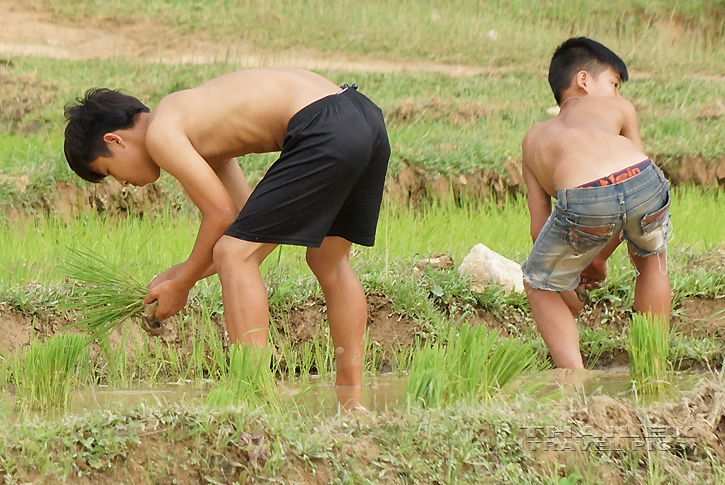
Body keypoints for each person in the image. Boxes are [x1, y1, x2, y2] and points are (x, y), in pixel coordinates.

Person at [63, 68, 391, 409]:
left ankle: (254, 400)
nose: (123, 185)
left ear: (115, 140)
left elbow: (222, 219)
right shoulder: (192, 120)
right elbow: (247, 224)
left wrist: (184, 284)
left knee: (236, 255)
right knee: (328, 260)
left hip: (325, 127)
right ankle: (351, 403)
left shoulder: (162, 132)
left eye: (109, 172)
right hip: (362, 116)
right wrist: (179, 276)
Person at [520, 37, 671, 369]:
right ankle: (654, 367)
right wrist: (600, 256)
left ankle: (574, 379)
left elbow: (539, 230)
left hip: (585, 199)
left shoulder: (533, 137)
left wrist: (585, 265)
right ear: (583, 80)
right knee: (650, 257)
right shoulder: (619, 108)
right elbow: (627, 186)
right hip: (644, 179)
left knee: (537, 280)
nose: (617, 94)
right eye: (613, 84)